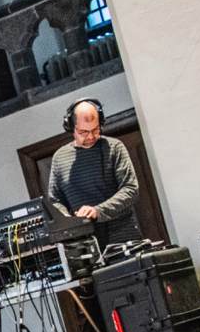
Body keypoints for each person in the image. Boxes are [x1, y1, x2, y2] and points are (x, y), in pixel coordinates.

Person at [47, 98, 142, 249]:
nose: (91, 137)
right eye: (83, 132)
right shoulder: (60, 158)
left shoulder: (115, 147)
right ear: (71, 127)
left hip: (122, 238)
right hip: (84, 242)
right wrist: (65, 218)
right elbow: (55, 200)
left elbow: (131, 189)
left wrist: (97, 211)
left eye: (96, 129)